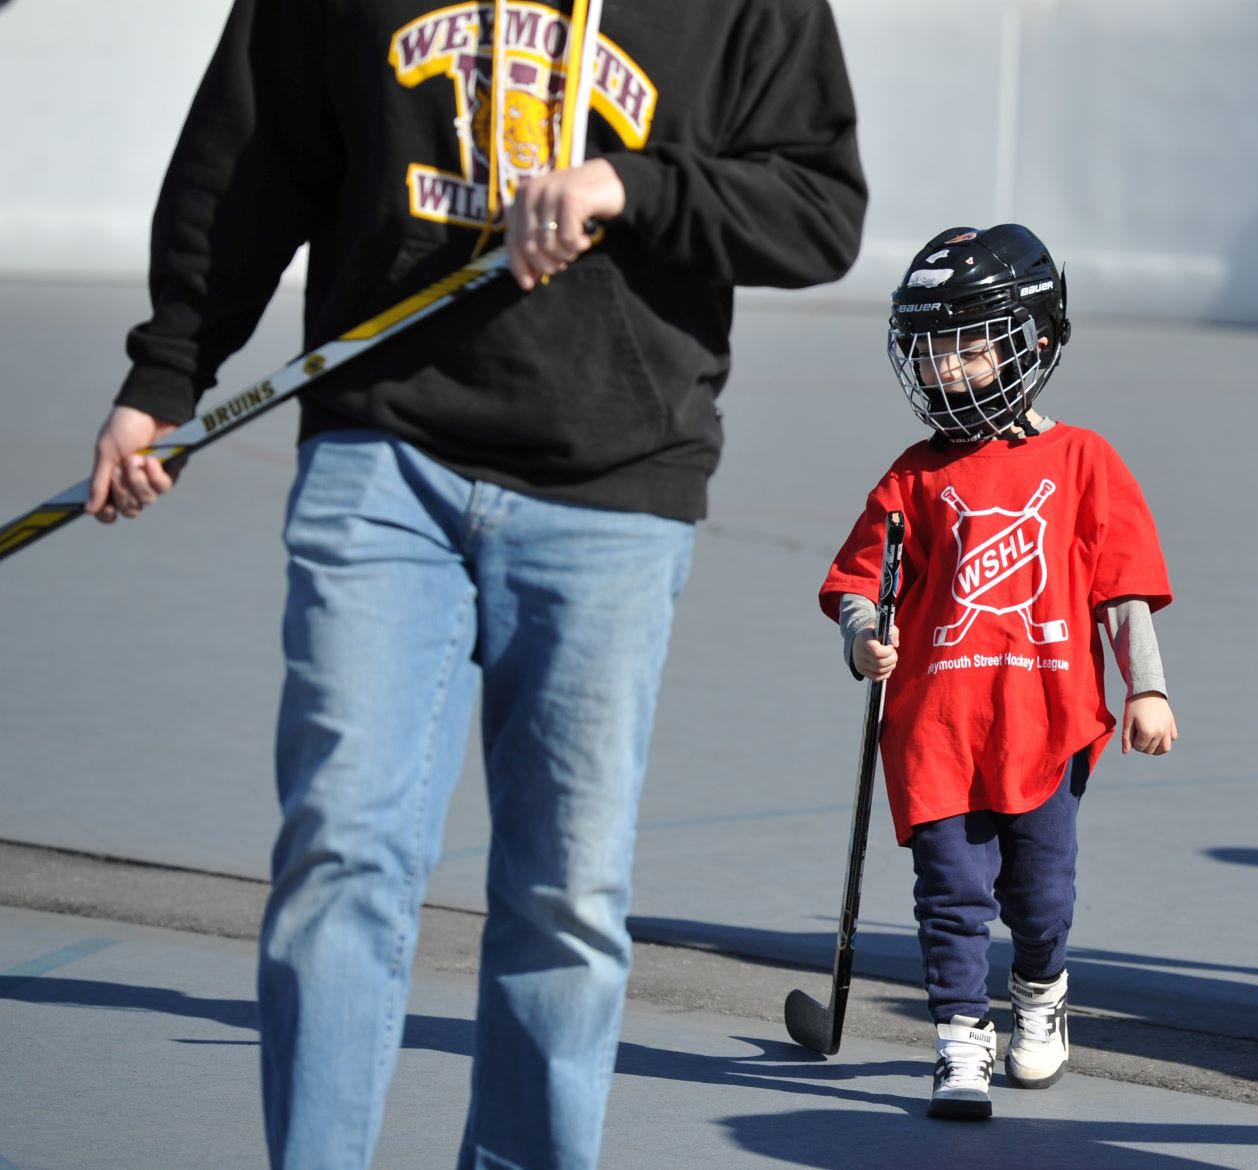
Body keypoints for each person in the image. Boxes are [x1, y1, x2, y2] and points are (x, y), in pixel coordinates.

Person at [84, 1, 865, 1166]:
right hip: (381, 452)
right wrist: (167, 369)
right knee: (340, 849)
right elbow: (252, 153)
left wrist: (627, 187)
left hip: (613, 483)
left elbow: (820, 211)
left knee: (566, 897)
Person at [818, 224, 1177, 1120]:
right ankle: (957, 1042)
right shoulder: (914, 475)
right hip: (938, 728)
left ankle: (1040, 992)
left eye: (969, 350)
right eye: (932, 352)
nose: (946, 372)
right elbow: (862, 582)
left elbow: (1121, 594)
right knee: (950, 897)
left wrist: (1148, 686)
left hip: (1043, 727)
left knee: (1039, 899)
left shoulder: (1084, 459)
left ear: (1035, 343)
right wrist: (864, 640)